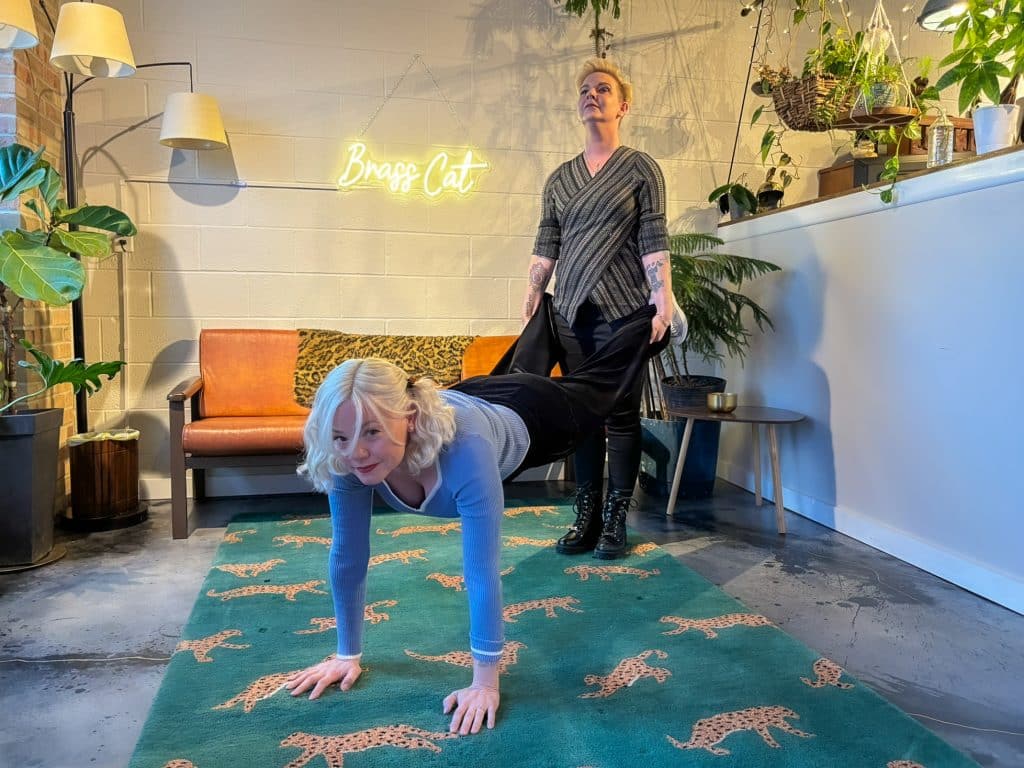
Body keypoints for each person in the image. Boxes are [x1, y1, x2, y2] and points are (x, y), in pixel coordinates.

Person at [285, 306, 666, 735]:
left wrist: (485, 683)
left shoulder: (465, 449)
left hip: (537, 413)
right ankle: (547, 311)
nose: (355, 452)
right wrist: (346, 654)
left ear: (409, 418)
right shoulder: (346, 455)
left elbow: (481, 571)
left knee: (599, 386)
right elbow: (348, 556)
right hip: (477, 394)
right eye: (341, 437)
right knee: (518, 366)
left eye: (372, 432)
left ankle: (655, 321)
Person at [520, 57, 684, 560]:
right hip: (572, 313)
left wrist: (662, 299)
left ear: (623, 106)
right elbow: (547, 241)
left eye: (603, 89)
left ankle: (616, 518)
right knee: (582, 416)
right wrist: (532, 294)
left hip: (625, 313)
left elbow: (653, 237)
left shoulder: (640, 168)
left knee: (622, 416)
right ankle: (587, 515)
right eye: (585, 90)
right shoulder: (560, 179)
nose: (592, 95)